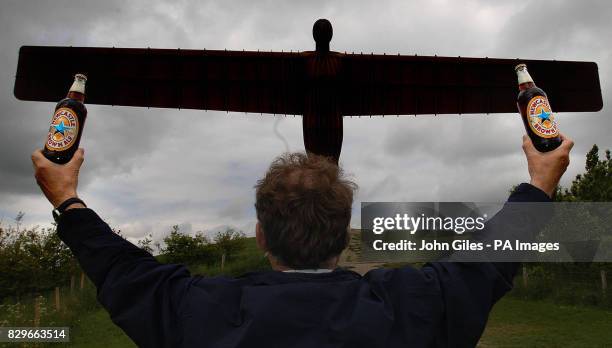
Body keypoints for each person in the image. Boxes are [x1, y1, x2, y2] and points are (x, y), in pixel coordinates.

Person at [31, 133, 573, 347]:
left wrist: (68, 200)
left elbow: (124, 272)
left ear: (262, 233)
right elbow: (486, 260)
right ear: (342, 234)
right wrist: (541, 181)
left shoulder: (201, 314)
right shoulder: (412, 309)